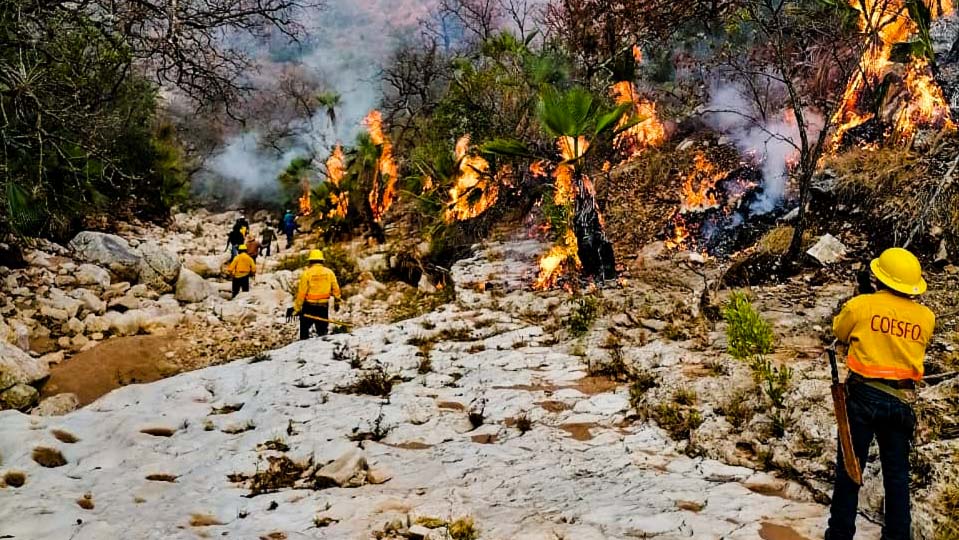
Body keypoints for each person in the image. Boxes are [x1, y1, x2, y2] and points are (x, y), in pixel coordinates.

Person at [826, 247, 935, 540]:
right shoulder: (926, 316)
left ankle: (839, 534)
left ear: (878, 278)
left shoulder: (861, 305)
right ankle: (898, 536)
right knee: (897, 477)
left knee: (850, 468)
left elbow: (839, 330)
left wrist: (863, 297)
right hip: (901, 402)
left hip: (862, 397)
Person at [293, 249, 341, 340]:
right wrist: (337, 302)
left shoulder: (306, 273)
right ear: (322, 261)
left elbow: (301, 293)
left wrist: (297, 308)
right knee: (322, 330)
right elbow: (336, 289)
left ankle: (303, 348)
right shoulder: (329, 272)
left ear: (310, 261)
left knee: (304, 329)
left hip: (309, 306)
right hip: (323, 306)